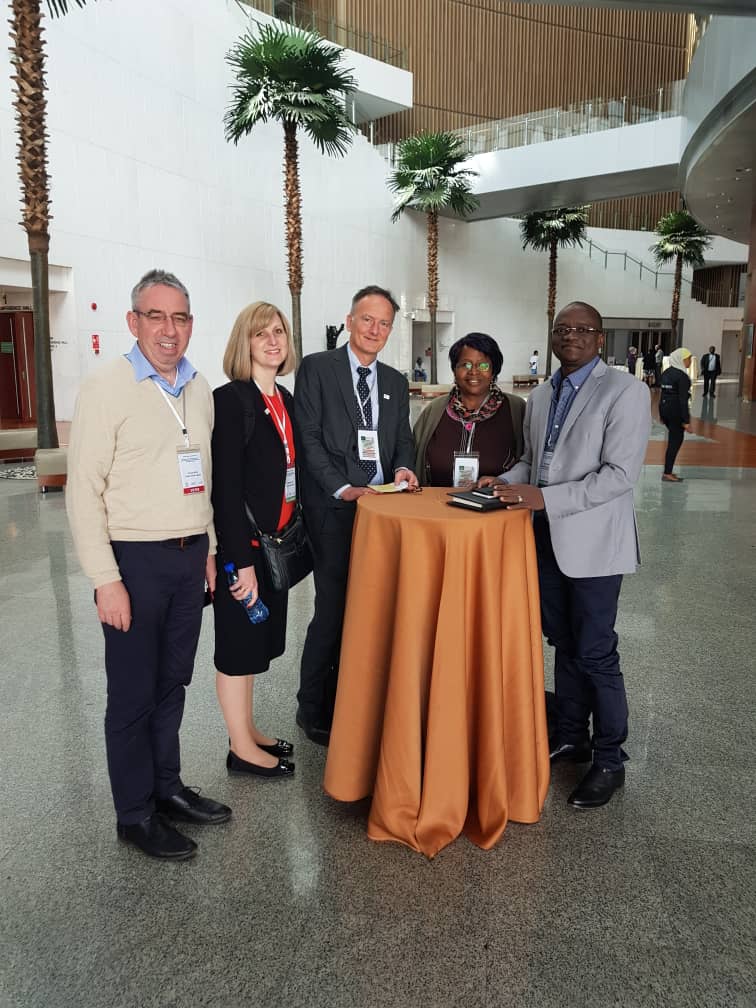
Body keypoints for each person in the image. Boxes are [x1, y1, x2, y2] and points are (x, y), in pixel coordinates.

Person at [66, 269, 231, 861]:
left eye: (180, 317)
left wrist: (210, 547)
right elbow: (83, 490)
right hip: (134, 563)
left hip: (190, 560)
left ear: (191, 325)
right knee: (133, 695)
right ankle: (134, 812)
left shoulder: (199, 387)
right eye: (155, 316)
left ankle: (167, 788)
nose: (169, 329)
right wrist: (105, 579)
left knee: (172, 684)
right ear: (133, 322)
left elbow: (203, 477)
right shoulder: (106, 387)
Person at [481, 301, 650, 809]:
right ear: (552, 337)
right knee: (563, 643)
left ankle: (610, 760)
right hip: (548, 542)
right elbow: (536, 460)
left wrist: (544, 498)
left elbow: (619, 476)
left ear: (600, 339)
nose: (571, 336)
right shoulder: (544, 394)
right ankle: (573, 736)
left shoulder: (626, 391)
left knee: (596, 652)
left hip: (596, 546)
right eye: (563, 329)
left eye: (583, 330)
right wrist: (506, 481)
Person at [295, 284, 418, 744]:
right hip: (336, 510)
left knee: (372, 610)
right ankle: (313, 707)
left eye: (384, 323)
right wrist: (345, 488)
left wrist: (404, 468)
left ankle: (356, 698)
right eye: (367, 319)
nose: (375, 330)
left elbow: (402, 438)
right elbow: (307, 439)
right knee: (333, 608)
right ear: (349, 321)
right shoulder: (317, 369)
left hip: (384, 512)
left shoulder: (394, 382)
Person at [211, 302, 299, 779]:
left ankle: (246, 729)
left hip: (273, 544)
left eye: (279, 332)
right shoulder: (232, 400)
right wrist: (239, 559)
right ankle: (240, 748)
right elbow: (224, 489)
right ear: (243, 343)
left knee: (254, 643)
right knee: (236, 645)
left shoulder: (281, 397)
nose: (272, 340)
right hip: (244, 550)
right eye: (260, 333)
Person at [413, 332, 524, 487]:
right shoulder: (434, 411)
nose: (473, 371)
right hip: (435, 507)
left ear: (494, 371)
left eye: (483, 365)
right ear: (454, 370)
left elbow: (529, 462)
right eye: (466, 364)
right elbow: (413, 458)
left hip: (496, 508)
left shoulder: (517, 410)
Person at [658, 347, 692, 483]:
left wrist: (661, 413)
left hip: (665, 409)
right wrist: (686, 420)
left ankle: (668, 470)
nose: (690, 362)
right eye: (688, 359)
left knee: (673, 439)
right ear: (682, 360)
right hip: (676, 411)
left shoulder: (666, 373)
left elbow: (662, 394)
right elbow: (683, 400)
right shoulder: (682, 376)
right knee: (675, 441)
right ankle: (667, 473)